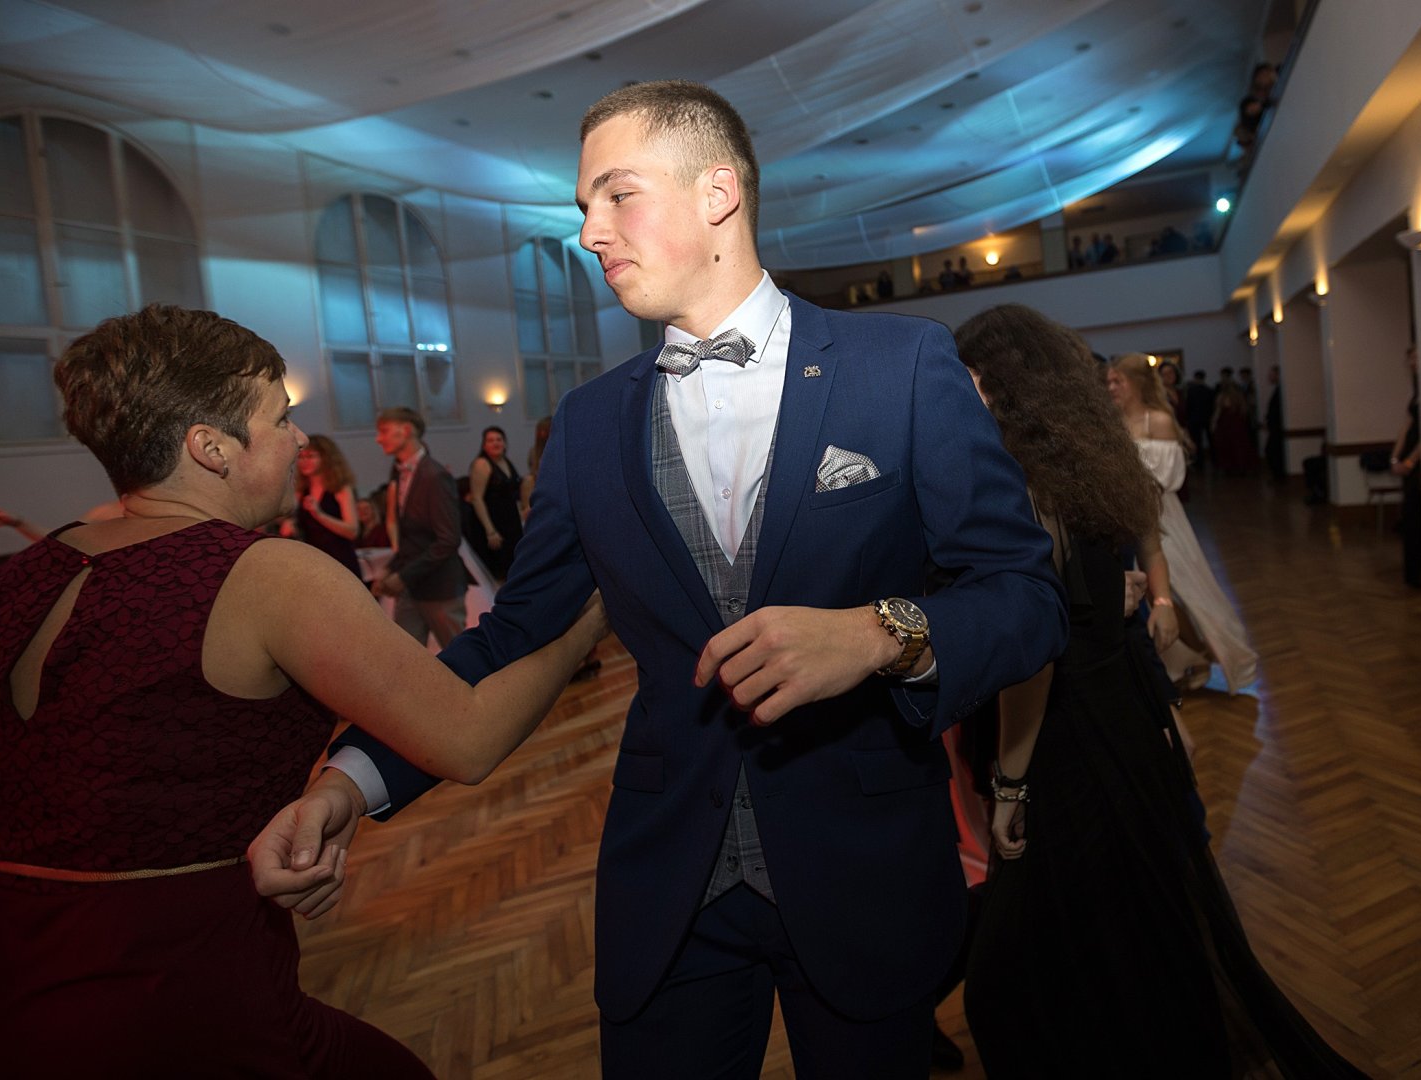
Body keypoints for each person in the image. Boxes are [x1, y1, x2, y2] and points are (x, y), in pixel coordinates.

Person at [260, 79, 1066, 1079]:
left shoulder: (900, 366)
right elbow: (512, 633)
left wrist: (879, 633)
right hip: (672, 883)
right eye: (582, 208)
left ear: (717, 192)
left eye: (617, 195)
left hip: (862, 869)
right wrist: (351, 781)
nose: (589, 233)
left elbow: (1025, 596)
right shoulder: (590, 423)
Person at [0, 304, 608, 1075]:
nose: (301, 440)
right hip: (171, 1005)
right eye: (281, 418)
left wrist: (80, 819)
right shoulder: (267, 576)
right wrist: (593, 622)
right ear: (211, 447)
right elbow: (467, 738)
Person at [953, 304, 1366, 1080]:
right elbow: (1091, 588)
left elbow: (1033, 662)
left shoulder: (1023, 483)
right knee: (1131, 935)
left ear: (1006, 384)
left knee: (1015, 976)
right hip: (1123, 729)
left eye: (970, 377)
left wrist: (1009, 784)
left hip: (1068, 745)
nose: (960, 393)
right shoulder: (1081, 465)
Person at [1108, 354, 1259, 693]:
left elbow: (1169, 478)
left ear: (1138, 383)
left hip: (1163, 516)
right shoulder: (1113, 422)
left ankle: (1206, 652)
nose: (1112, 387)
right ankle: (1183, 659)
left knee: (1182, 589)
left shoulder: (1159, 420)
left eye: (1119, 381)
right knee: (1148, 593)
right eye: (1110, 381)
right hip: (1134, 517)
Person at [373, 406, 465, 647]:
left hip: (439, 588)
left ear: (406, 430)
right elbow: (411, 537)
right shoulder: (399, 472)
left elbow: (448, 539)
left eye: (384, 431)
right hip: (411, 587)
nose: (378, 438)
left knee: (459, 657)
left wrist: (402, 576)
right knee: (405, 654)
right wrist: (389, 569)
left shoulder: (434, 475)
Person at [281, 434, 361, 579]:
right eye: (301, 457)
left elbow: (352, 531)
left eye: (311, 456)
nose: (304, 461)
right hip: (314, 561)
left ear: (326, 458)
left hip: (340, 560)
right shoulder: (301, 491)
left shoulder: (340, 488)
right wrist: (290, 524)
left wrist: (320, 515)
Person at [466, 426, 525, 582]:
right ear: (484, 445)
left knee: (516, 567)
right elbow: (477, 498)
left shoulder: (506, 461)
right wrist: (490, 531)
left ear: (505, 443)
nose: (495, 443)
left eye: (499, 439)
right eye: (490, 440)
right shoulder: (481, 464)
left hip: (510, 523)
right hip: (493, 524)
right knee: (500, 572)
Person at [1390, 346, 1421, 588]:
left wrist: (1411, 461)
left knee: (1416, 517)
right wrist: (1395, 458)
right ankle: (1410, 573)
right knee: (1409, 517)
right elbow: (1407, 426)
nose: (1412, 363)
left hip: (1419, 465)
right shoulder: (1417, 391)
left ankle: (1418, 573)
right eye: (1410, 358)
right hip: (1407, 462)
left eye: (1415, 358)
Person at [1211, 377, 1258, 475]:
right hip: (1238, 425)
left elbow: (1218, 412)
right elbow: (1245, 411)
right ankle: (1242, 467)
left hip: (1225, 425)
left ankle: (1229, 467)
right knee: (1240, 446)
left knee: (1227, 446)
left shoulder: (1222, 397)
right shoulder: (1240, 397)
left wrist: (1213, 424)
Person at [1265, 364, 1286, 480]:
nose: (1269, 377)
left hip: (1277, 427)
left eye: (1271, 374)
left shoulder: (1281, 390)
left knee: (1272, 451)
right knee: (1271, 451)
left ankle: (1279, 475)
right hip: (1274, 427)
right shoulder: (1278, 389)